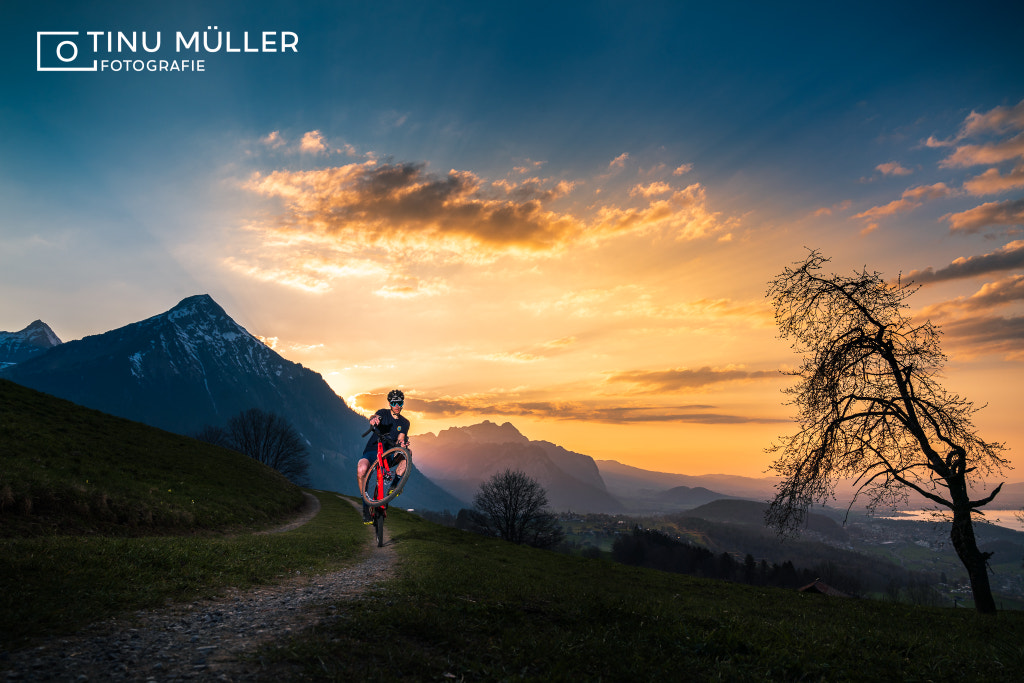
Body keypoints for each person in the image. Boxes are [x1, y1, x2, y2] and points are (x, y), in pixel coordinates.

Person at [357, 389, 410, 524]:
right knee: (362, 469)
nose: (397, 405)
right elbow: (375, 417)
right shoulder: (383, 413)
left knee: (408, 454)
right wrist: (373, 420)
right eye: (394, 402)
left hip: (389, 454)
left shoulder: (405, 423)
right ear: (389, 403)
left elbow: (400, 438)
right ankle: (365, 505)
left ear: (403, 403)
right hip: (373, 450)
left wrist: (402, 444)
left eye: (399, 402)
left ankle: (394, 485)